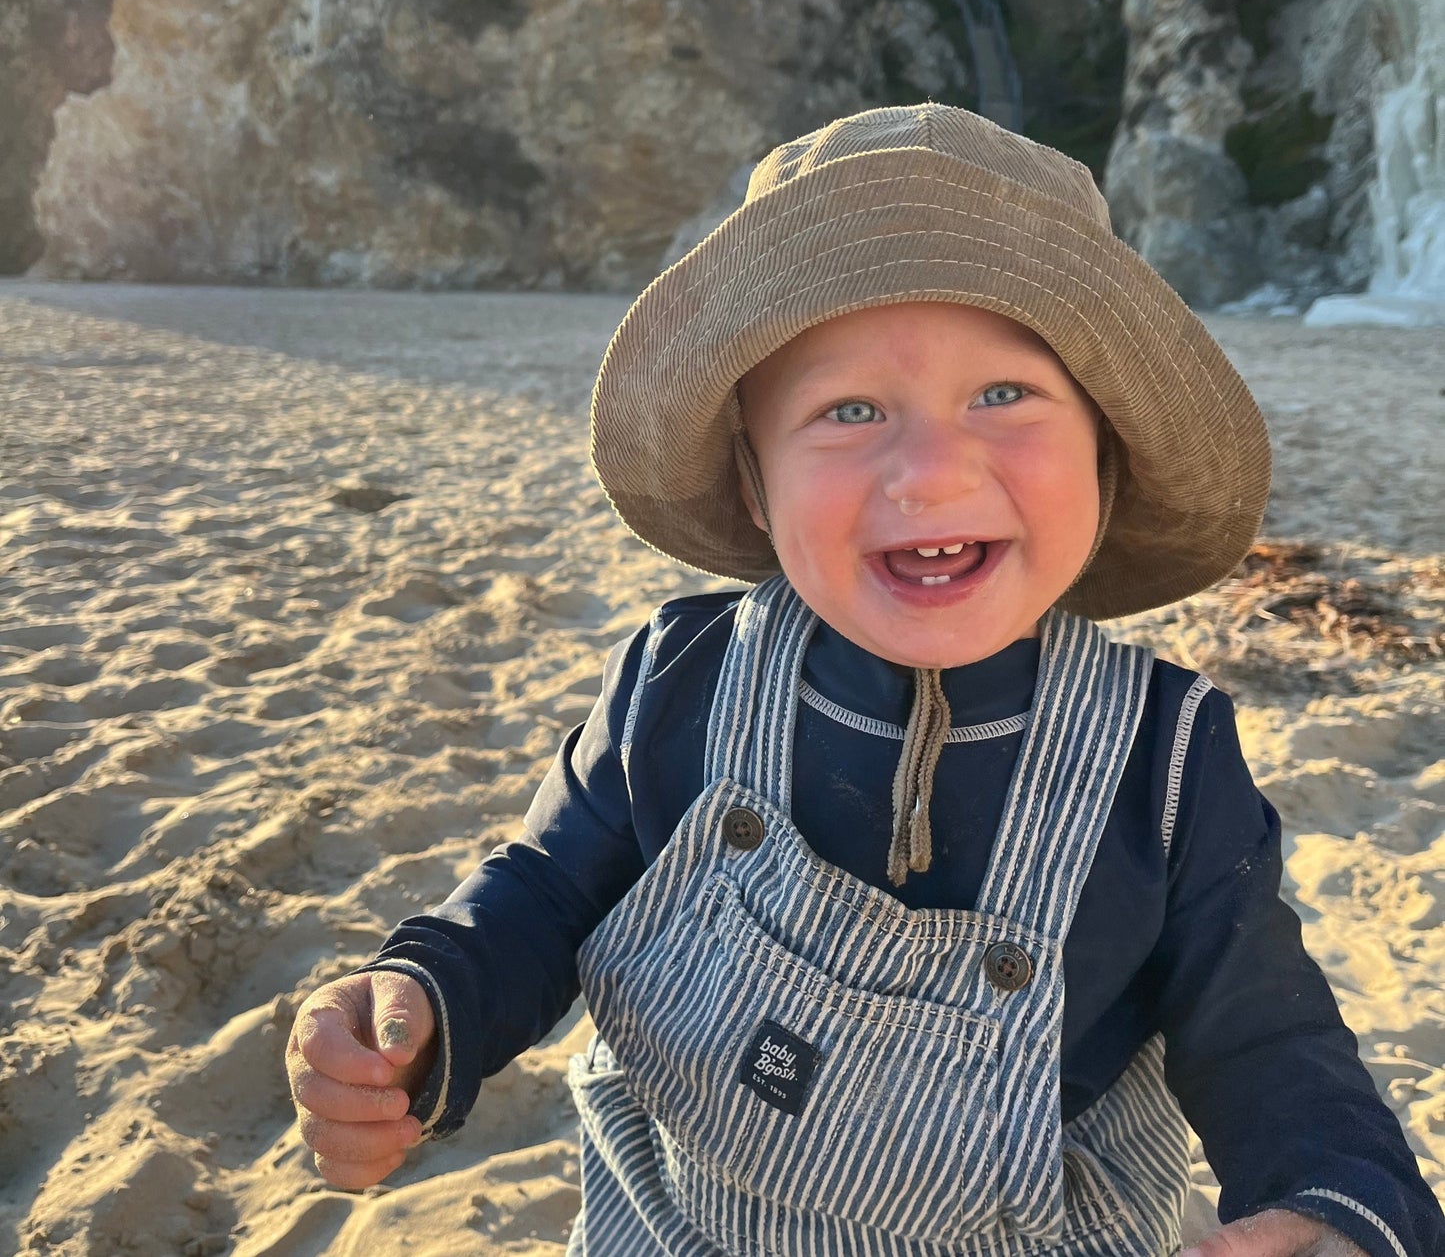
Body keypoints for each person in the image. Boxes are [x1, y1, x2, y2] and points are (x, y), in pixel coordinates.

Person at [285, 104, 1444, 1257]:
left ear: (1104, 447)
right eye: (847, 410)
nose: (931, 472)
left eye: (1003, 394)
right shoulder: (678, 679)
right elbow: (543, 889)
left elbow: (1267, 1040)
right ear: (752, 483)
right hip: (676, 1221)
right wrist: (429, 997)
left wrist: (1337, 1200)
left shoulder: (1166, 757)